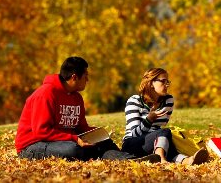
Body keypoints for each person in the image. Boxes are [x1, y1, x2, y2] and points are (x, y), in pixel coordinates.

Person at [15, 56, 160, 162]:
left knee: (103, 141)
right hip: (32, 146)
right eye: (86, 76)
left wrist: (97, 133)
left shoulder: (76, 98)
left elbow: (81, 127)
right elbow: (41, 131)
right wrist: (74, 139)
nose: (87, 80)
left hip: (61, 141)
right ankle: (102, 156)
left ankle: (130, 160)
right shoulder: (45, 94)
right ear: (74, 77)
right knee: (73, 150)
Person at [121, 67, 209, 164]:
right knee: (163, 133)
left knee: (165, 138)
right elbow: (134, 134)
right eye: (163, 81)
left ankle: (187, 160)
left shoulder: (168, 100)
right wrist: (149, 120)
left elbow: (161, 125)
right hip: (132, 145)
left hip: (154, 142)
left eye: (168, 82)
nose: (167, 85)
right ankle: (161, 159)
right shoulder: (134, 101)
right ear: (151, 83)